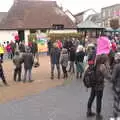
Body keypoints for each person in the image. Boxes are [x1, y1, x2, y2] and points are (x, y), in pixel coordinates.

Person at [87, 54, 109, 119]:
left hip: (93, 84)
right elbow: (107, 76)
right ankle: (98, 115)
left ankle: (88, 111)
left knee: (91, 97)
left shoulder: (94, 64)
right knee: (99, 100)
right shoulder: (102, 66)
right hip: (99, 85)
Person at [112, 52, 120, 119]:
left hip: (117, 86)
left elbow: (113, 78)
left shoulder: (117, 66)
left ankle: (116, 116)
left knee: (116, 101)